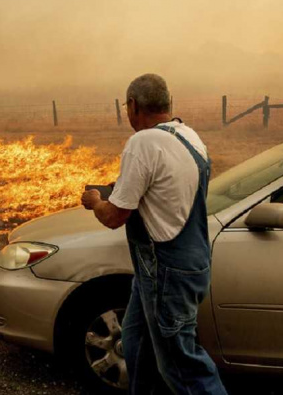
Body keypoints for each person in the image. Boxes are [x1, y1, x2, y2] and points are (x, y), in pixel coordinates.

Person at [81, 74, 226, 394]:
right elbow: (163, 190)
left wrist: (95, 202)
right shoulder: (188, 135)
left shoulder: (142, 142)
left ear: (132, 106)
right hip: (188, 264)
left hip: (165, 270)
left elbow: (115, 217)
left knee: (182, 366)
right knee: (136, 342)